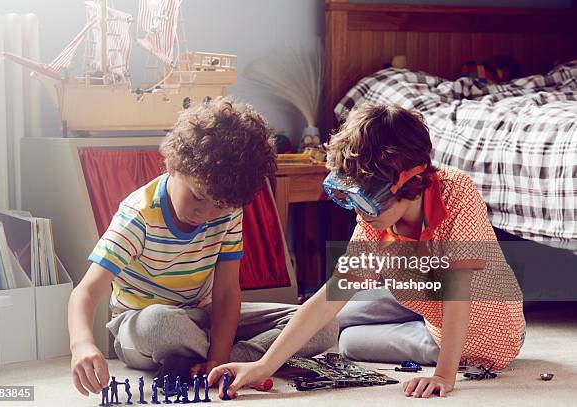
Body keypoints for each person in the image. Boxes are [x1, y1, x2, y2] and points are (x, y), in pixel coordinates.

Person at [208, 103, 525, 399]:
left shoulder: (457, 194)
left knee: (349, 342)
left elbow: (458, 294)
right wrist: (264, 366)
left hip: (484, 334)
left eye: (367, 199)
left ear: (409, 182)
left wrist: (444, 375)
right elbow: (332, 294)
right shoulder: (377, 215)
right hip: (424, 300)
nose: (360, 213)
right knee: (337, 314)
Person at [68, 97, 338, 397]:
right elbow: (86, 291)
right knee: (159, 325)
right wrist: (82, 344)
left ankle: (226, 362)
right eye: (197, 197)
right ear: (172, 165)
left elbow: (226, 293)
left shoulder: (230, 210)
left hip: (204, 316)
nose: (206, 214)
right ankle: (234, 357)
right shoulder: (139, 215)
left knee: (325, 326)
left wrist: (219, 356)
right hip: (141, 326)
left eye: (220, 207)